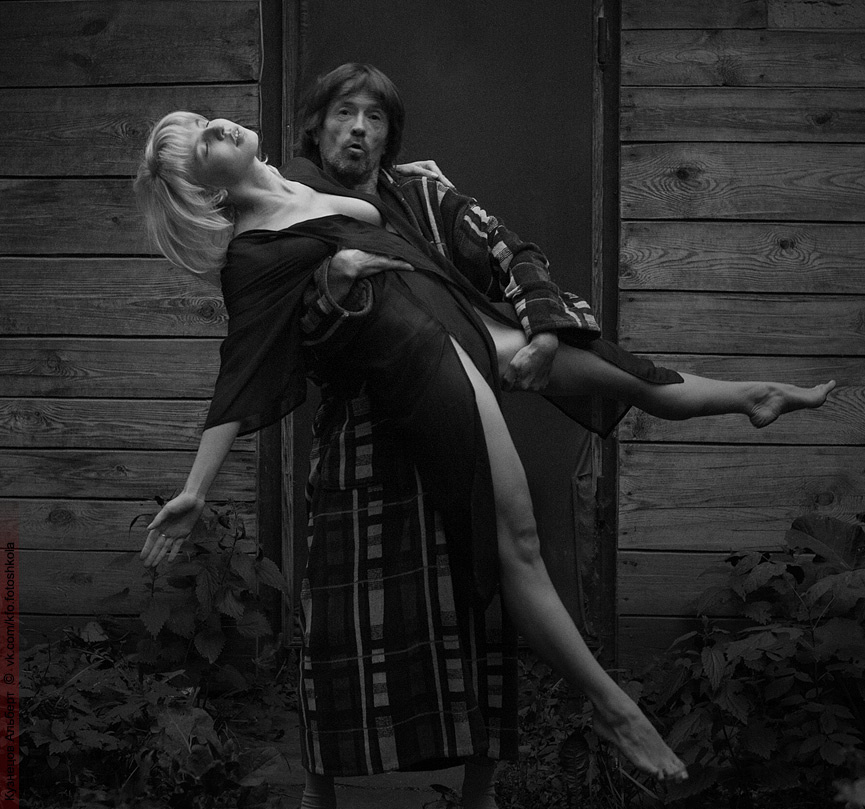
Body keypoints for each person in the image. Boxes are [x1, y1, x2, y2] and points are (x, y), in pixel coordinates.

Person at [133, 102, 832, 808]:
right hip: (419, 358)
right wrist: (196, 488)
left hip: (454, 317)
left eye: (205, 120)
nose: (216, 128)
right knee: (517, 541)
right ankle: (611, 706)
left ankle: (755, 396)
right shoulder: (252, 251)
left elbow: (393, 204)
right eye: (201, 146)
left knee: (627, 375)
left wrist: (414, 183)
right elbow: (242, 367)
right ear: (208, 192)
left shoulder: (298, 182)